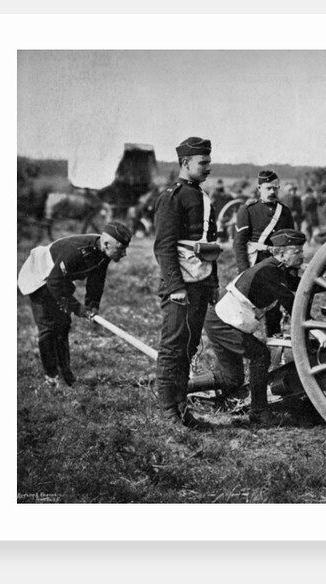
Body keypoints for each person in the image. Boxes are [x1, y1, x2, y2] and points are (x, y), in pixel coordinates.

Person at [202, 229, 326, 426]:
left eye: (301, 251)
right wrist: (319, 333)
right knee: (260, 355)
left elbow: (302, 285)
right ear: (281, 253)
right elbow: (293, 305)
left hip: (224, 321)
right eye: (297, 251)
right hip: (221, 323)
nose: (302, 255)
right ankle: (259, 412)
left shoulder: (277, 269)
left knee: (232, 379)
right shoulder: (268, 272)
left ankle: (182, 390)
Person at [152, 136, 222, 430]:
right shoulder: (172, 197)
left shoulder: (201, 196)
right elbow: (164, 247)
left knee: (189, 346)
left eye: (209, 161)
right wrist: (176, 288)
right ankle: (168, 411)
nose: (208, 167)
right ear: (185, 163)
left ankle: (181, 408)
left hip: (200, 283)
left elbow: (209, 245)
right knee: (173, 347)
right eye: (202, 162)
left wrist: (213, 284)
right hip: (180, 286)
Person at [18, 222, 132, 387]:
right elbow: (54, 282)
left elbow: (97, 280)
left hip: (57, 277)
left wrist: (92, 305)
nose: (124, 253)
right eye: (121, 248)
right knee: (48, 328)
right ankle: (52, 376)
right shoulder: (76, 251)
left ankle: (66, 373)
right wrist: (78, 308)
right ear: (107, 244)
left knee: (63, 325)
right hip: (38, 275)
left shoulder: (103, 252)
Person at [232, 170, 296, 337]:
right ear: (259, 188)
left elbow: (291, 242)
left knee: (274, 309)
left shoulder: (285, 212)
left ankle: (273, 343)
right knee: (248, 308)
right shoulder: (248, 210)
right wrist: (244, 270)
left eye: (275, 188)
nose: (272, 192)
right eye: (268, 188)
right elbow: (239, 243)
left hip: (276, 265)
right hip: (256, 265)